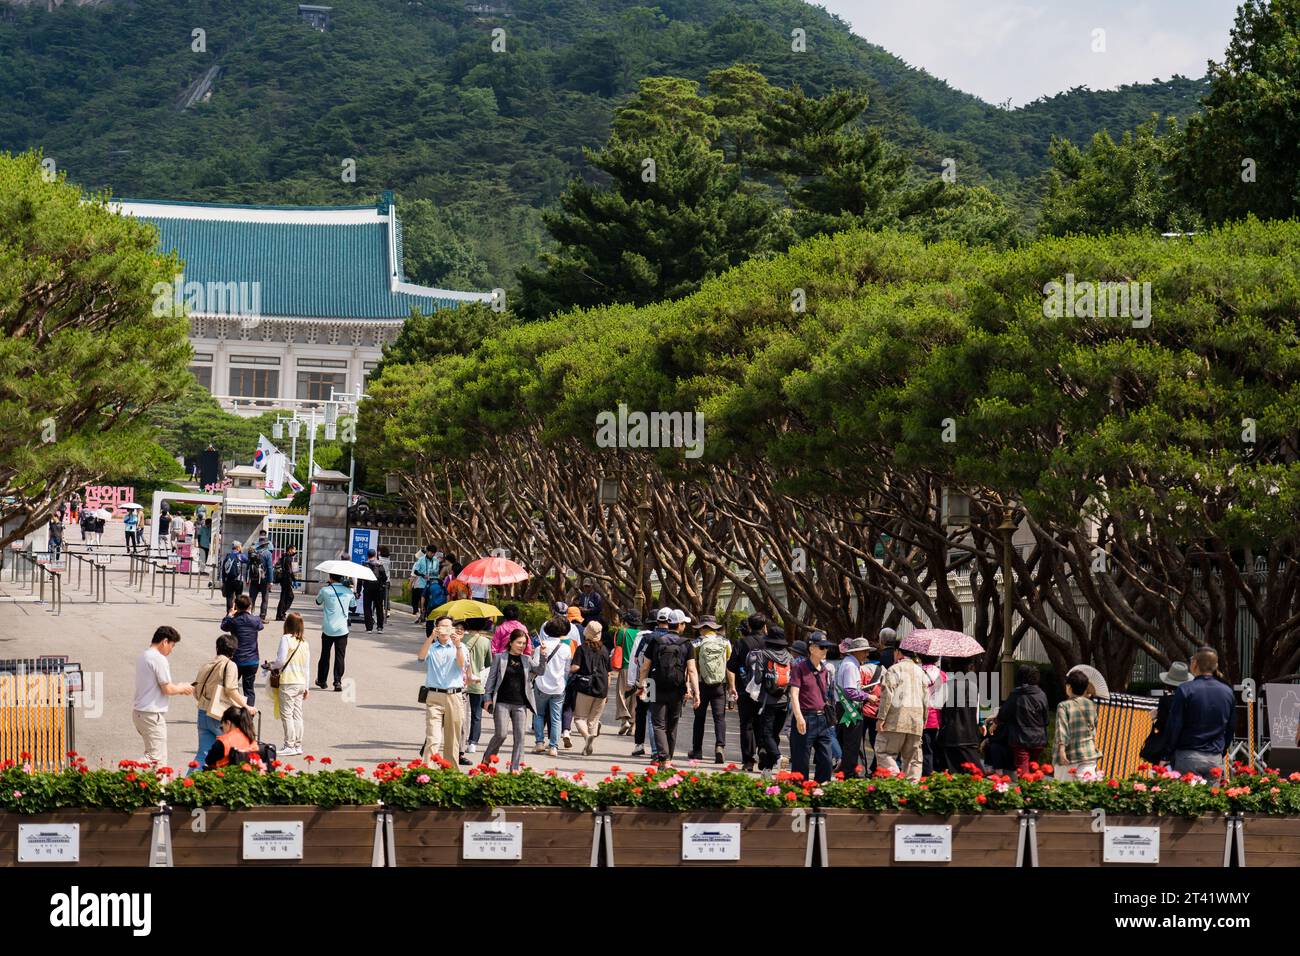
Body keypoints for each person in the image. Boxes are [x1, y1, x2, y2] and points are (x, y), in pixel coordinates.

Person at [1164, 648, 1236, 777]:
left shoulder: (1185, 690)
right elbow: (1230, 727)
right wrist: (1222, 750)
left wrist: (1167, 752)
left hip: (1188, 755)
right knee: (1212, 796)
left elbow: (1175, 725)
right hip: (1214, 758)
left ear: (1194, 663)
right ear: (1216, 666)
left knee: (1187, 796)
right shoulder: (1227, 692)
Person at [639, 609, 697, 764]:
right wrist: (695, 692)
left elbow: (645, 667)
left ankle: (662, 757)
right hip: (677, 689)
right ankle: (668, 760)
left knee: (658, 724)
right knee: (672, 725)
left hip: (655, 686)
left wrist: (641, 686)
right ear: (680, 625)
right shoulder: (686, 644)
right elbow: (691, 669)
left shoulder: (656, 642)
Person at [482, 628, 543, 772]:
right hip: (502, 701)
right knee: (501, 734)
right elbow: (491, 680)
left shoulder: (527, 659)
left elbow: (540, 671)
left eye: (524, 643)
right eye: (519, 643)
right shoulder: (500, 657)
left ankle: (515, 769)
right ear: (511, 642)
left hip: (520, 703)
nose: (522, 646)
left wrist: (544, 656)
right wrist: (487, 698)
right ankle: (487, 758)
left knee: (520, 737)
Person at [193, 634, 254, 772]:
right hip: (221, 716)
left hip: (203, 712)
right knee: (233, 754)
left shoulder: (207, 665)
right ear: (233, 650)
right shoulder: (230, 665)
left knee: (203, 755)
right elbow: (231, 690)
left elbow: (196, 690)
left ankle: (187, 785)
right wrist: (246, 707)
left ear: (217, 647)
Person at [133, 626, 193, 765]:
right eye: (172, 645)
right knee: (155, 757)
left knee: (159, 758)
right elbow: (167, 689)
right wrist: (182, 688)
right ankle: (125, 773)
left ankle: (158, 786)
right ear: (165, 642)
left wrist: (179, 687)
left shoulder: (144, 655)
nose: (171, 650)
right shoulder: (158, 659)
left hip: (141, 712)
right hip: (151, 714)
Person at [745, 624, 795, 775]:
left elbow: (759, 679)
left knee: (766, 734)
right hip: (784, 700)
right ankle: (767, 769)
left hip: (768, 700)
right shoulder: (789, 656)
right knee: (774, 734)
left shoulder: (763, 654)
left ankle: (778, 758)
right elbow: (793, 679)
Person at [789, 632, 837, 783]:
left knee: (826, 760)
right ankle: (800, 795)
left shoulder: (825, 670)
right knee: (801, 762)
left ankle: (819, 791)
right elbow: (794, 694)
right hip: (805, 717)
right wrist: (798, 717)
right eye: (822, 647)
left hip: (823, 719)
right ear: (811, 648)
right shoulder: (799, 668)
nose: (825, 650)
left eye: (826, 648)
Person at [419, 615, 466, 766]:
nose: (445, 630)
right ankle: (427, 771)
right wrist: (430, 637)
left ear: (453, 629)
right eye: (441, 626)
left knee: (452, 739)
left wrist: (458, 645)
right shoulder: (432, 647)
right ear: (437, 628)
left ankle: (450, 773)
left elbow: (460, 664)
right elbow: (420, 658)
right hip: (434, 695)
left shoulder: (461, 647)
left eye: (448, 626)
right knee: (433, 737)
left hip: (454, 696)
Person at [876, 644, 926, 781]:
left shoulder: (894, 669)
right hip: (916, 720)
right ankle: (911, 788)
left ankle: (894, 779)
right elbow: (926, 699)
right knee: (913, 758)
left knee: (884, 751)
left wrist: (881, 718)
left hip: (895, 719)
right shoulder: (920, 672)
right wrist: (924, 720)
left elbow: (887, 696)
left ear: (898, 652)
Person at [264, 612, 310, 756]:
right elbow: (307, 667)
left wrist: (271, 666)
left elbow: (281, 661)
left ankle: (289, 744)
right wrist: (307, 687)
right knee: (298, 714)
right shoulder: (304, 643)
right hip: (301, 682)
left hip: (288, 681)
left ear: (287, 625)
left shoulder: (286, 639)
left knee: (287, 714)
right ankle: (297, 744)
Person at [687, 615, 731, 763]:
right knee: (719, 718)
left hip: (701, 684)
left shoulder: (696, 643)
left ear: (704, 629)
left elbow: (692, 666)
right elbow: (728, 663)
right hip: (719, 685)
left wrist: (690, 686)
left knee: (699, 719)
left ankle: (697, 750)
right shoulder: (725, 643)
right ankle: (720, 746)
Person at [728, 614, 770, 771]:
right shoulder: (770, 642)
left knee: (746, 724)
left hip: (745, 689)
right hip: (766, 692)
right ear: (764, 626)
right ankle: (763, 749)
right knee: (764, 723)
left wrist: (732, 686)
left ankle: (748, 761)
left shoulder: (741, 642)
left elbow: (731, 666)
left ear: (749, 627)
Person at [992, 665, 1049, 776]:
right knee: (1034, 767)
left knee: (1023, 770)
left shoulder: (1016, 694)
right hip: (1039, 738)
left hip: (1020, 738)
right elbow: (1046, 720)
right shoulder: (1042, 695)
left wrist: (996, 722)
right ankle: (1034, 790)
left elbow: (1004, 714)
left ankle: (1025, 792)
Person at [531, 618, 573, 757]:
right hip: (558, 687)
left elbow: (536, 667)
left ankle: (539, 743)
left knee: (539, 714)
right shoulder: (566, 649)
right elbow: (567, 670)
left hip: (541, 685)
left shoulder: (539, 648)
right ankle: (553, 747)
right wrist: (564, 682)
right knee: (556, 717)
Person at [569, 621, 611, 756]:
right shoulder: (604, 650)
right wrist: (607, 692)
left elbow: (575, 667)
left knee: (579, 718)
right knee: (593, 720)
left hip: (585, 687)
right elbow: (609, 673)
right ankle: (588, 747)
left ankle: (587, 737)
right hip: (602, 688)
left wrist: (569, 669)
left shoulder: (582, 648)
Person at [834, 637, 874, 777]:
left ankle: (848, 770)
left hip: (844, 706)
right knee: (852, 742)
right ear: (857, 652)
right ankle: (849, 773)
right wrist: (867, 696)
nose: (866, 654)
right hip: (849, 708)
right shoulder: (851, 665)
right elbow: (850, 691)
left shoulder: (848, 663)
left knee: (848, 741)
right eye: (864, 651)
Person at [937, 657, 984, 773]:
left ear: (952, 667)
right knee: (974, 773)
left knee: (950, 774)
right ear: (969, 667)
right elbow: (977, 716)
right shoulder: (974, 687)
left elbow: (936, 706)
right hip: (971, 737)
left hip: (950, 736)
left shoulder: (947, 686)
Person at [1054, 670, 1103, 780]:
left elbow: (1062, 729)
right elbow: (1093, 728)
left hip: (1070, 756)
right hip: (1089, 755)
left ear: (1069, 687)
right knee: (1086, 793)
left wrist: (1061, 751)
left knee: (1064, 791)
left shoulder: (1063, 706)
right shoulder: (1091, 705)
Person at [1141, 660, 1192, 764]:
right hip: (1187, 747)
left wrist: (1155, 717)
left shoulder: (1166, 700)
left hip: (1167, 747)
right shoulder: (1191, 700)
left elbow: (1162, 725)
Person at [629, 610, 664, 759]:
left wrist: (633, 682)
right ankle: (660, 747)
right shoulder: (669, 637)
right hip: (663, 681)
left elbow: (635, 661)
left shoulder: (643, 637)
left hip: (646, 681)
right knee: (658, 715)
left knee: (642, 713)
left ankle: (639, 745)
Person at [220, 593, 265, 706]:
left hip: (237, 659)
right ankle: (249, 713)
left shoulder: (233, 621)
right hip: (252, 659)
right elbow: (261, 626)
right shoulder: (255, 620)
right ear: (250, 606)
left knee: (231, 686)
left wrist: (230, 614)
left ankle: (235, 708)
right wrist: (249, 613)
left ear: (236, 607)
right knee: (249, 689)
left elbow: (223, 626)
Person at [315, 573, 357, 691]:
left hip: (328, 629)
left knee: (325, 655)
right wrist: (353, 593)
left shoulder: (325, 590)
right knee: (340, 656)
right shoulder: (348, 592)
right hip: (342, 629)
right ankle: (337, 681)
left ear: (330, 577)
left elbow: (318, 602)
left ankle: (322, 681)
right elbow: (353, 607)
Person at [460, 617, 493, 754]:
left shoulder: (461, 639)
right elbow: (488, 663)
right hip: (478, 681)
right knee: (476, 715)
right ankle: (473, 742)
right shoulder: (485, 641)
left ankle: (459, 740)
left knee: (460, 714)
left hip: (460, 681)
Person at [611, 609, 640, 735]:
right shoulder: (641, 634)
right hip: (638, 669)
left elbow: (618, 648)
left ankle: (625, 720)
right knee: (634, 696)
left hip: (625, 667)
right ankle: (633, 725)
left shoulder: (623, 632)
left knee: (621, 694)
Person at [920, 654, 948, 775]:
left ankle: (926, 775)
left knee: (925, 750)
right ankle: (936, 774)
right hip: (938, 716)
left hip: (922, 715)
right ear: (937, 659)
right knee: (935, 748)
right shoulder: (942, 674)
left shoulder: (918, 672)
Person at [362, 549, 388, 633]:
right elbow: (384, 577)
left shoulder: (364, 565)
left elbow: (360, 578)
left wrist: (358, 590)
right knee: (379, 608)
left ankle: (369, 628)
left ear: (367, 555)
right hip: (378, 590)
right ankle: (380, 627)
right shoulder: (379, 565)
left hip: (367, 589)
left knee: (367, 608)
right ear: (375, 555)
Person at [249, 537, 273, 619]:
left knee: (252, 598)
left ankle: (250, 614)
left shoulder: (252, 552)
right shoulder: (268, 554)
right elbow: (270, 568)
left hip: (254, 578)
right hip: (264, 579)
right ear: (266, 544)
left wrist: (248, 578)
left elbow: (249, 566)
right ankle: (262, 616)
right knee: (264, 598)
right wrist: (270, 581)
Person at [411, 545, 437, 620]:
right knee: (421, 600)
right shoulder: (421, 560)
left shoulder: (435, 560)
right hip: (421, 584)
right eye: (431, 553)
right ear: (428, 552)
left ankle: (425, 616)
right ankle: (422, 615)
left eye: (434, 553)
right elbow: (415, 571)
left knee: (428, 601)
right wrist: (423, 575)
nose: (433, 555)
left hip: (430, 584)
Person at [220, 542, 246, 614]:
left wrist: (223, 580)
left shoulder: (228, 556)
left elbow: (223, 569)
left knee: (229, 597)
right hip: (238, 580)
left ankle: (229, 613)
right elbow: (248, 561)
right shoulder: (240, 556)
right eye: (240, 546)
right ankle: (237, 612)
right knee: (238, 597)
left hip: (229, 580)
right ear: (238, 548)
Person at [275, 544, 298, 620]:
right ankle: (281, 613)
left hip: (284, 579)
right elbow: (289, 570)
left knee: (284, 597)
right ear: (290, 549)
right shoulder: (288, 558)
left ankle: (280, 614)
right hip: (286, 579)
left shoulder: (284, 556)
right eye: (294, 549)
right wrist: (294, 580)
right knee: (289, 597)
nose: (295, 551)